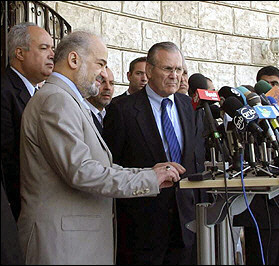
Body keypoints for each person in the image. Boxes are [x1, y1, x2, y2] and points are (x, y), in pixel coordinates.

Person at [17, 31, 184, 265]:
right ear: (74, 60)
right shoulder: (56, 100)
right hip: (63, 246)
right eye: (100, 64)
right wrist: (148, 179)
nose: (103, 74)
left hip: (76, 244)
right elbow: (82, 171)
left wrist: (147, 173)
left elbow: (99, 166)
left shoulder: (67, 100)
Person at [103, 41, 205, 265]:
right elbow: (111, 166)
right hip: (141, 230)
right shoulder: (123, 110)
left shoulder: (191, 107)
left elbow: (198, 161)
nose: (174, 75)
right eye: (167, 69)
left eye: (178, 70)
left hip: (187, 226)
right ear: (149, 70)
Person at [233, 66, 279, 265]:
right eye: (265, 85)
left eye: (274, 85)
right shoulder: (250, 122)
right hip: (263, 213)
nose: (269, 89)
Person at [1, 22, 54, 220]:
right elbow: (7, 161)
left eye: (52, 48)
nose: (52, 54)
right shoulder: (5, 92)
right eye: (43, 48)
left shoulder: (37, 93)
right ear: (20, 53)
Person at [86, 67, 115, 134]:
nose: (108, 88)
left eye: (111, 83)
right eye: (102, 82)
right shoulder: (80, 112)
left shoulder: (114, 114)